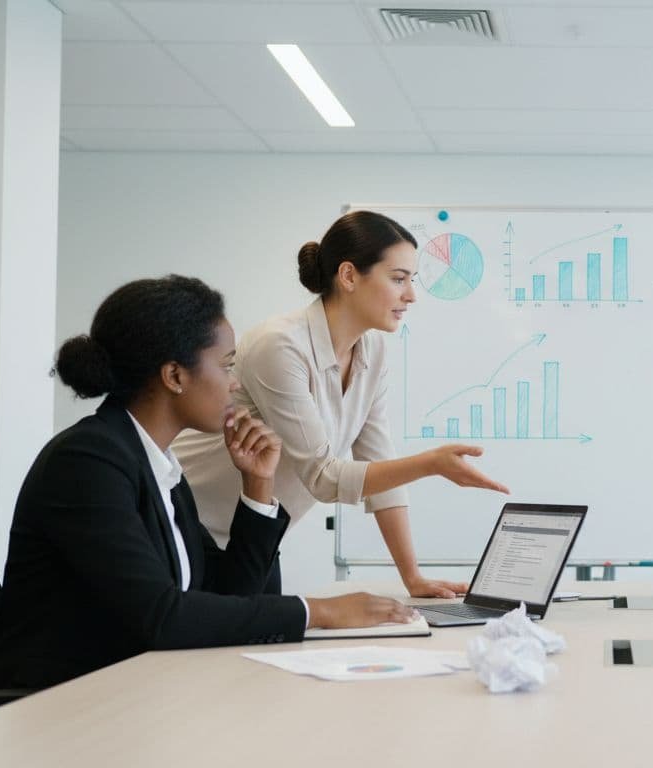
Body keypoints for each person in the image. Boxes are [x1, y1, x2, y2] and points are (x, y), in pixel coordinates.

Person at [0, 276, 412, 690]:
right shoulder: (88, 461)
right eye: (226, 366)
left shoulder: (159, 464)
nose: (235, 382)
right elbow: (162, 616)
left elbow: (226, 593)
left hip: (136, 690)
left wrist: (258, 486)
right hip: (57, 705)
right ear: (175, 376)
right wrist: (320, 611)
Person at [173, 211, 509, 598]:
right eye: (398, 279)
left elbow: (380, 466)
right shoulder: (280, 345)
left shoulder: (374, 351)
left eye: (411, 281)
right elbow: (324, 477)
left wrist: (412, 578)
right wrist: (431, 464)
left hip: (257, 534)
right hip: (192, 527)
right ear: (348, 276)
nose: (411, 295)